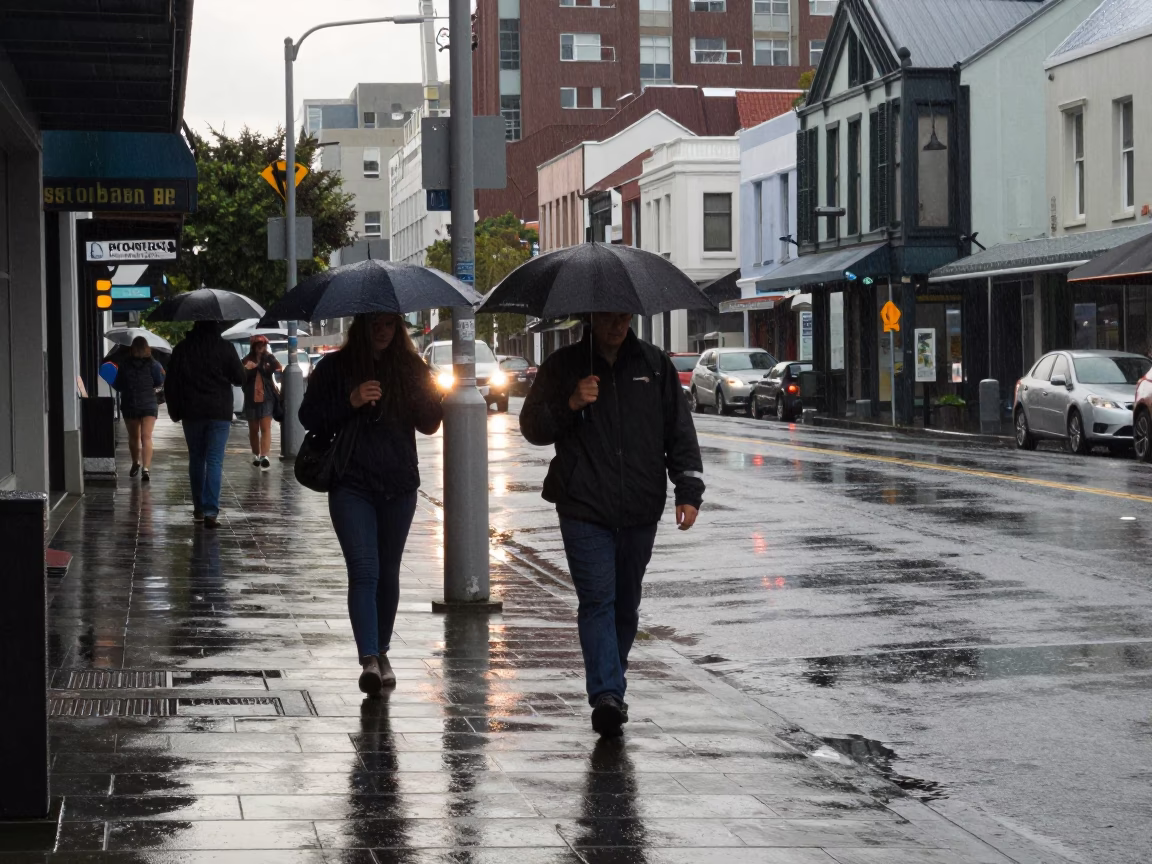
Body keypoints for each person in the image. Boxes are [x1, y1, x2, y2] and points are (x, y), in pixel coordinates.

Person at [520, 312, 704, 737]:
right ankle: (606, 694)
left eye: (624, 316)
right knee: (598, 600)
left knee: (625, 604)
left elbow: (679, 432)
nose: (618, 324)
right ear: (591, 318)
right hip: (583, 506)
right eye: (608, 317)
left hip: (640, 506)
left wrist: (688, 491)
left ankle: (612, 685)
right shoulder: (564, 366)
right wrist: (570, 402)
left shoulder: (654, 365)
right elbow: (532, 427)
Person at [299, 312, 443, 696]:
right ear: (361, 326)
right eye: (375, 324)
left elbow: (430, 424)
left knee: (388, 570)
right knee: (364, 570)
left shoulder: (410, 366)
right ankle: (368, 661)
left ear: (398, 329)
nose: (382, 331)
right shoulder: (335, 366)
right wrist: (351, 399)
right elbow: (308, 416)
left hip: (398, 484)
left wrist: (432, 395)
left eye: (389, 325)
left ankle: (382, 651)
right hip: (351, 482)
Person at [164, 320, 245, 529]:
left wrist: (175, 410)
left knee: (197, 459)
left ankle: (198, 508)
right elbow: (239, 378)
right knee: (215, 460)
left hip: (192, 412)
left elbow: (171, 382)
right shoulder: (225, 347)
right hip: (219, 412)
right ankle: (211, 511)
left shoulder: (183, 348)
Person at [112, 336, 165, 482]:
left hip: (130, 403)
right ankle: (146, 468)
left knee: (134, 437)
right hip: (148, 403)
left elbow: (118, 385)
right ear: (147, 348)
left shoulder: (124, 364)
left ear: (132, 348)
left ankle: (136, 462)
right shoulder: (154, 364)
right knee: (146, 437)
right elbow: (160, 381)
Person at [241, 334, 282, 470]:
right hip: (251, 397)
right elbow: (241, 376)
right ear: (253, 346)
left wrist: (266, 365)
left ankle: (265, 456)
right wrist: (249, 369)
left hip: (267, 397)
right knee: (253, 429)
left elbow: (278, 368)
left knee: (265, 428)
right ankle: (256, 454)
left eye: (263, 345)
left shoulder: (269, 358)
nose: (261, 347)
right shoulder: (246, 360)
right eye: (258, 345)